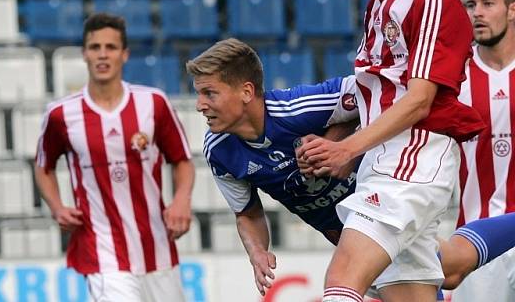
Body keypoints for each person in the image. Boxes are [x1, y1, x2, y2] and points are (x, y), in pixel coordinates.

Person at [187, 38, 515, 300]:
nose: (201, 104)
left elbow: (377, 94)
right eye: (199, 94)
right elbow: (248, 213)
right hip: (346, 236)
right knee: (444, 271)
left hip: (382, 202)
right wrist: (258, 251)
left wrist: (339, 147)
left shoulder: (298, 108)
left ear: (246, 91)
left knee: (436, 271)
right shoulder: (220, 152)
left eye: (209, 93)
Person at [298, 0, 487, 302]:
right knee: (407, 295)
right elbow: (377, 87)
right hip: (385, 159)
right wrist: (339, 142)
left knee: (344, 276)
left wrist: (345, 147)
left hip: (412, 158)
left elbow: (419, 100)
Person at [34, 13, 195, 301]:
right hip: (102, 250)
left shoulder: (153, 103)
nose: (102, 55)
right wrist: (57, 207)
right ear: (84, 54)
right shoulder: (61, 114)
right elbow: (43, 167)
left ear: (124, 54)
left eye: (110, 47)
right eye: (95, 47)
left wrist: (182, 200)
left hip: (156, 246)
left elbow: (182, 159)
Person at [450, 0, 515, 300]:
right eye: (471, 4)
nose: (477, 12)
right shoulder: (452, 76)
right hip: (475, 242)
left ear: (512, 9)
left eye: (488, 3)